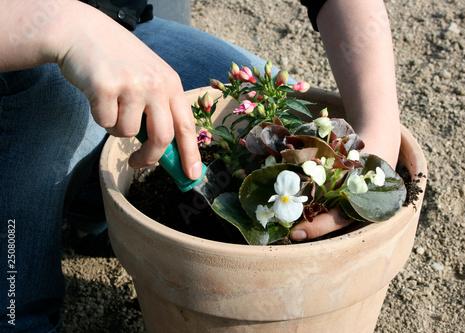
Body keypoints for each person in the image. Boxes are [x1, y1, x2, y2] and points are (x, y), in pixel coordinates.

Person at [0, 0, 400, 331]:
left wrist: (377, 136)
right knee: (60, 106)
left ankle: (91, 209)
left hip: (121, 18)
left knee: (263, 98)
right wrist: (62, 22)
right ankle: (19, 309)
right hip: (22, 38)